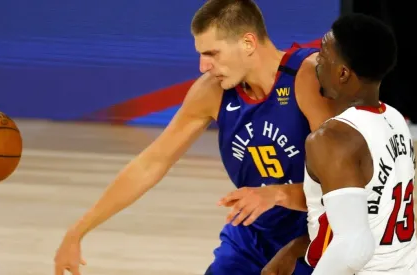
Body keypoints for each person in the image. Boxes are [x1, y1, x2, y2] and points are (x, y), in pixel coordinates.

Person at [53, 1, 334, 274]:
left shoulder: (307, 77)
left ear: (248, 43)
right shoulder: (211, 92)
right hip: (252, 235)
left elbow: (347, 183)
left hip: (314, 233)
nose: (203, 66)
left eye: (212, 53)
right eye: (201, 54)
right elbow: (151, 163)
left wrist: (277, 193)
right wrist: (79, 230)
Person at [261, 13, 417, 275]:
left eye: (323, 53)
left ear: (342, 73)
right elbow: (368, 214)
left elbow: (355, 245)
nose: (316, 60)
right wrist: (297, 248)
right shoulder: (395, 119)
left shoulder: (331, 139)